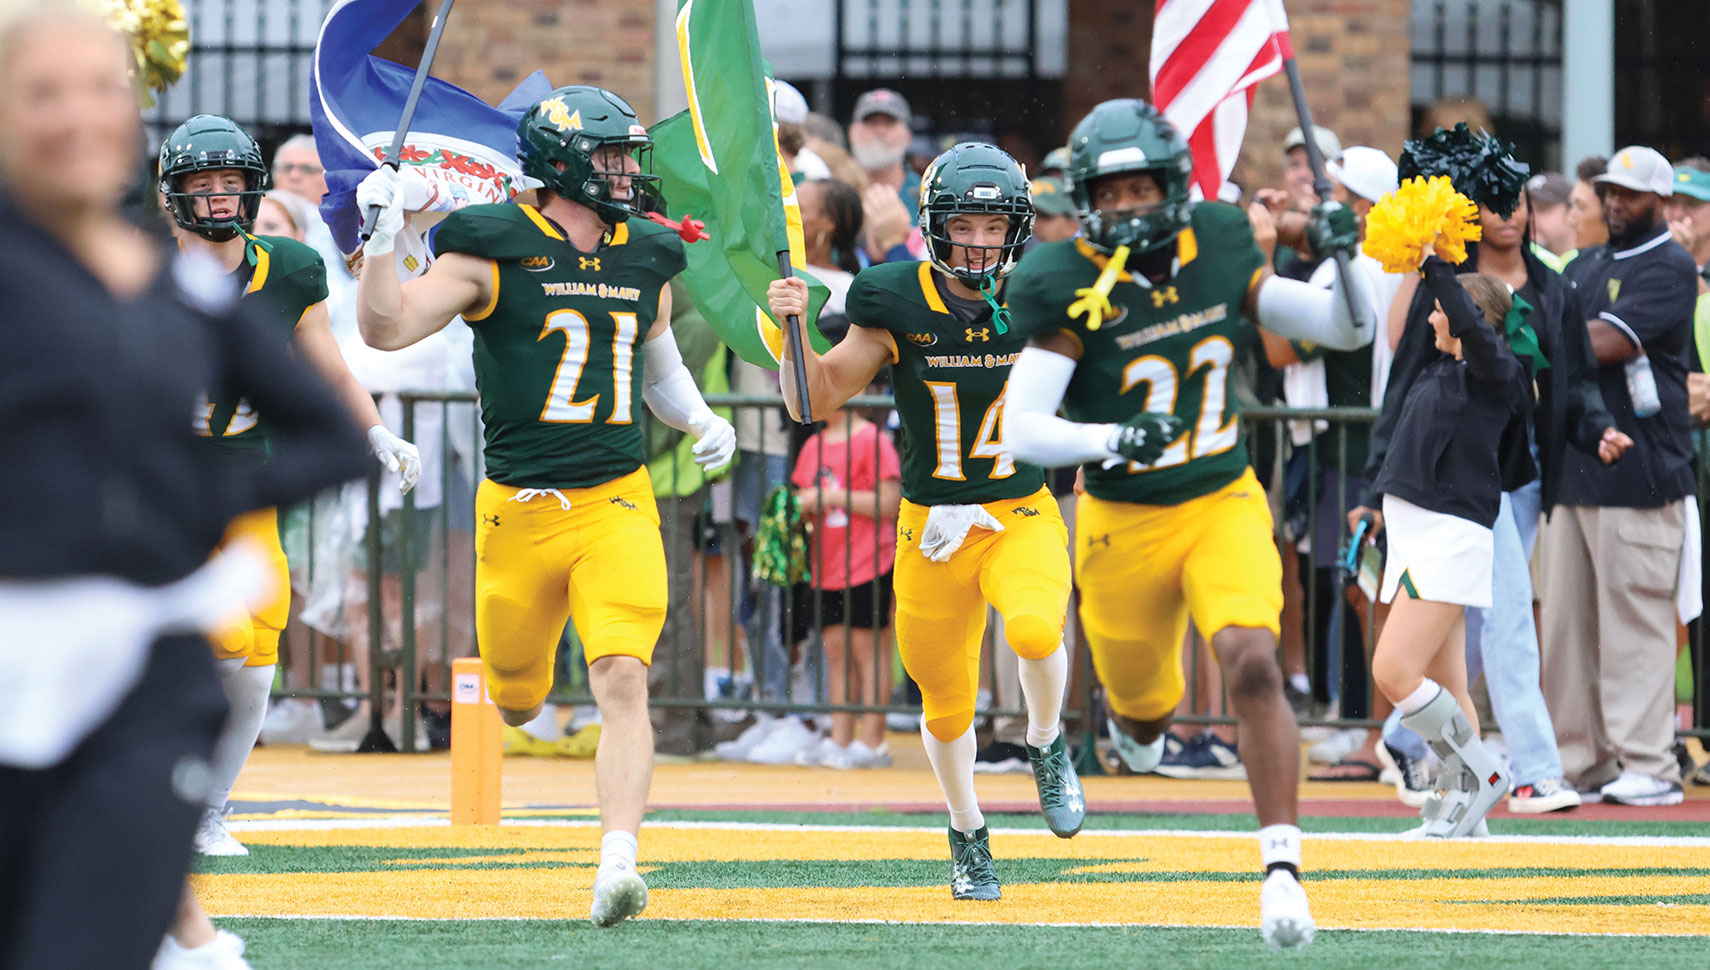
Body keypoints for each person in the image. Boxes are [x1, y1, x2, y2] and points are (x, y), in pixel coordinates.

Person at [0, 6, 367, 969]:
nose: (77, 116)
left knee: (103, 915)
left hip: (141, 666)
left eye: (100, 90)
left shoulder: (183, 287)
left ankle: (196, 944)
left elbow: (335, 438)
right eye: (43, 92)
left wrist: (186, 503)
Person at [1001, 99, 1384, 950]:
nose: (1133, 205)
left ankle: (1282, 866)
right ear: (1090, 199)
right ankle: (1134, 734)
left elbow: (1341, 327)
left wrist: (1344, 262)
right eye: (1116, 190)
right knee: (1143, 715)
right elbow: (1021, 427)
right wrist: (1112, 437)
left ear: (1173, 186)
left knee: (1252, 663)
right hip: (1122, 519)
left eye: (1145, 187)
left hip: (1220, 498)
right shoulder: (1063, 281)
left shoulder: (1216, 244)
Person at [353, 84, 737, 926]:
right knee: (518, 695)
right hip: (519, 512)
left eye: (628, 156)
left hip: (617, 499)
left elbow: (661, 374)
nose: (627, 173)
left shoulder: (646, 256)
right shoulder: (492, 246)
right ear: (562, 164)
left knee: (622, 676)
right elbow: (385, 330)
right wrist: (382, 240)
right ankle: (531, 701)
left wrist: (702, 416)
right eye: (610, 157)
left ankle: (619, 861)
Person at [767, 142, 1085, 901]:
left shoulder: (1045, 291)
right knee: (943, 704)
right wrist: (792, 335)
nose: (978, 241)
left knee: (1038, 629)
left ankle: (1045, 741)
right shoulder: (893, 299)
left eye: (992, 225)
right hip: (933, 527)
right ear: (934, 225)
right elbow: (813, 401)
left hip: (1020, 510)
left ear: (1018, 228)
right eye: (964, 225)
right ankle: (967, 830)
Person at [155, 114, 422, 857]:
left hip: (248, 484)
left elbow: (329, 368)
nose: (218, 198)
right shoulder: (138, 273)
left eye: (231, 183)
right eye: (203, 184)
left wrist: (374, 430)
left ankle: (209, 808)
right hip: (168, 488)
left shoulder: (290, 268)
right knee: (222, 636)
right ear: (173, 195)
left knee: (258, 657)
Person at [1541, 146, 1700, 807]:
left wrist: (1548, 337)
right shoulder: (1584, 263)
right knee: (1566, 627)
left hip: (1641, 469)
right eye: (1609, 191)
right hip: (1574, 466)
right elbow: (1563, 334)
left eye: (1630, 195)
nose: (1614, 202)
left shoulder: (1670, 264)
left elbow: (1605, 342)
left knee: (1635, 621)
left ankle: (1649, 764)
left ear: (1661, 201)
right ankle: (1582, 758)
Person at [1368, 265, 1533, 837]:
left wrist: (1435, 262)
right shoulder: (1445, 368)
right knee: (1451, 685)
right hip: (1418, 537)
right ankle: (1461, 811)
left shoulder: (1498, 373)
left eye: (1442, 308)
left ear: (1471, 320)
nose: (1434, 316)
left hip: (1447, 538)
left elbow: (1468, 321)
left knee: (1392, 670)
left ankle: (1481, 778)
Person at [789, 367, 902, 767]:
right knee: (836, 650)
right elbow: (802, 500)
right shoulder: (812, 446)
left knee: (868, 650)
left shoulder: (873, 440)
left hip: (869, 560)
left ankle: (873, 742)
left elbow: (889, 504)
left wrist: (833, 497)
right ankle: (840, 739)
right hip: (827, 564)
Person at [1567, 155, 1610, 257]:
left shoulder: (1637, 269)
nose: (1570, 220)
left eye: (1581, 207)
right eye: (1571, 206)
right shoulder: (1575, 266)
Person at [1527, 172, 1577, 258]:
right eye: (1527, 209)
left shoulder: (1596, 265)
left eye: (1542, 208)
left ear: (1571, 213)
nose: (1530, 218)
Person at [1028, 174, 1080, 246]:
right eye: (1028, 218)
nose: (1034, 227)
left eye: (1044, 217)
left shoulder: (1091, 253)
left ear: (1072, 223)